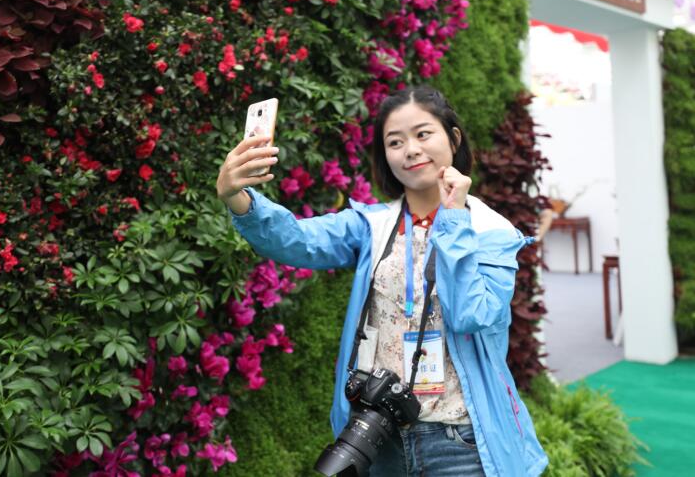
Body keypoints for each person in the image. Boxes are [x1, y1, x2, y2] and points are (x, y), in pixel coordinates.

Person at [216, 86, 548, 476]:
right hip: (382, 438)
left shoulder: (491, 231)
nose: (411, 149)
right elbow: (299, 241)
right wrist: (237, 196)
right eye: (395, 141)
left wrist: (455, 219)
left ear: (453, 139)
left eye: (423, 134)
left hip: (460, 442)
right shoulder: (373, 225)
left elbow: (470, 314)